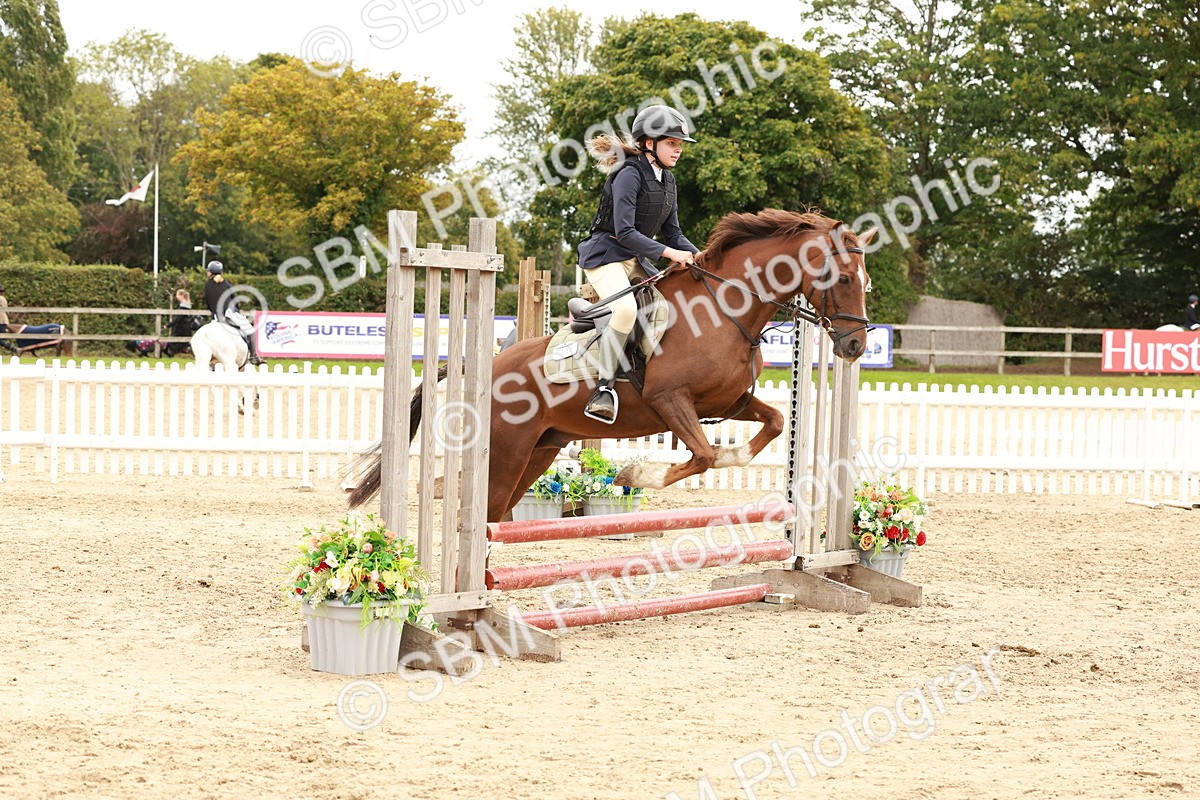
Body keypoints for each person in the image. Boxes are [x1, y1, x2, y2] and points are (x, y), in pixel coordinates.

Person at [575, 104, 701, 423]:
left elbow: (674, 232)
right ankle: (603, 390)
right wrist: (670, 254)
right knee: (627, 310)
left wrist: (700, 257)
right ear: (649, 143)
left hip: (636, 258)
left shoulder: (668, 180)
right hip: (605, 255)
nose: (678, 149)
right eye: (672, 143)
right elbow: (625, 232)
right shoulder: (628, 174)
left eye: (680, 144)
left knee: (669, 306)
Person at [203, 261, 264, 365]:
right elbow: (234, 298)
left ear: (211, 272)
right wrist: (238, 311)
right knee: (251, 330)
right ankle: (253, 356)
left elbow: (207, 303)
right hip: (229, 313)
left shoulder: (207, 285)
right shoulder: (225, 284)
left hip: (216, 317)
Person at [165, 288, 203, 356]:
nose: (176, 296)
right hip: (185, 328)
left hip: (181, 328)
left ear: (181, 296)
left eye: (177, 295)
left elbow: (177, 318)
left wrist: (168, 325)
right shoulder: (187, 306)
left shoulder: (183, 307)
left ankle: (172, 354)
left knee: (173, 342)